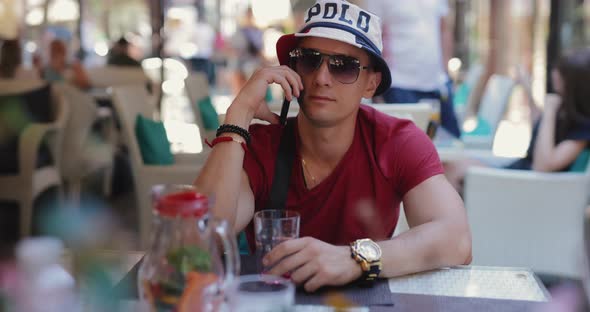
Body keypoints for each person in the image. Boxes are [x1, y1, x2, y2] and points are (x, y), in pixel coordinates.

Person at [194, 0, 471, 292]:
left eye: (344, 66)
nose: (321, 78)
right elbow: (201, 239)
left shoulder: (396, 142)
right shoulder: (261, 145)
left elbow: (457, 240)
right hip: (274, 300)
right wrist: (238, 116)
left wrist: (353, 259)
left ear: (371, 84)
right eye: (309, 60)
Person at [445, 48, 590, 191]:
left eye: (561, 72)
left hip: (527, 186)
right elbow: (539, 129)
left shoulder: (582, 127)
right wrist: (528, 89)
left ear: (573, 82)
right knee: (447, 166)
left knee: (451, 169)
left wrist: (550, 112)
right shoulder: (564, 109)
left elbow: (542, 166)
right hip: (520, 175)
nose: (554, 73)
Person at [366, 0, 462, 138]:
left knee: (454, 144)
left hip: (437, 83)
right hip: (399, 84)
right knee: (407, 147)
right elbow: (373, 35)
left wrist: (445, 71)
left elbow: (444, 28)